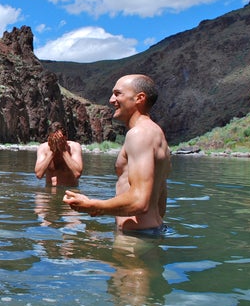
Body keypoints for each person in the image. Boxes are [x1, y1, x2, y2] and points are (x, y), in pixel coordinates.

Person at [64, 74, 171, 236]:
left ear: (139, 98)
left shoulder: (140, 134)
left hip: (137, 238)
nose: (111, 99)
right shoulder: (155, 133)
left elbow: (139, 200)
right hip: (149, 231)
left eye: (117, 93)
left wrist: (93, 206)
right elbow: (160, 201)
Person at [34, 121, 83, 186]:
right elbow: (39, 175)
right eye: (54, 139)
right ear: (49, 139)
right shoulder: (43, 148)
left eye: (59, 139)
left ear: (65, 138)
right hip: (49, 191)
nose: (57, 142)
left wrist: (64, 151)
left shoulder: (74, 147)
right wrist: (52, 152)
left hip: (69, 190)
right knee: (39, 196)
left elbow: (77, 174)